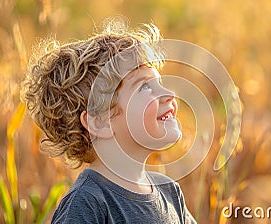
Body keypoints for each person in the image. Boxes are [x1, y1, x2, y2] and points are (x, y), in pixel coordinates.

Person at [21, 18, 197, 223]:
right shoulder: (87, 203)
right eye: (145, 87)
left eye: (159, 82)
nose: (169, 93)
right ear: (100, 122)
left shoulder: (169, 193)